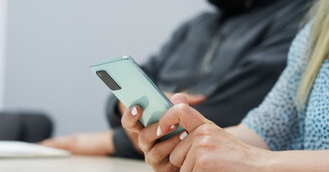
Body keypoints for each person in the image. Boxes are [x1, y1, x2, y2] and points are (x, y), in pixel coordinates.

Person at [41, 0, 312, 159]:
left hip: (209, 170)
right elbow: (127, 86)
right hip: (156, 163)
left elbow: (232, 112)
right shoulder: (196, 25)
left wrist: (110, 142)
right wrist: (132, 108)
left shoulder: (300, 16)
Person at [121, 0, 329, 172]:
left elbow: (226, 117)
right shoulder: (317, 26)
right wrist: (197, 150)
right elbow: (266, 129)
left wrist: (257, 165)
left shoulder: (291, 15)